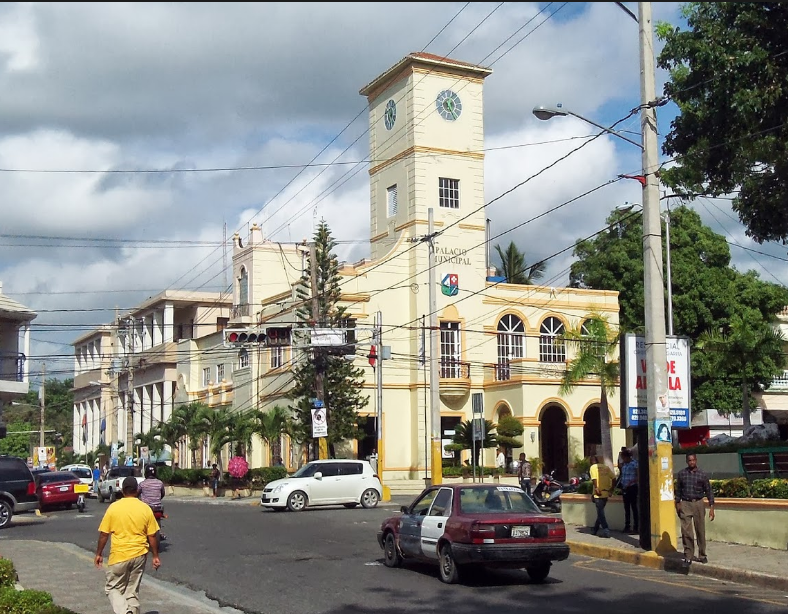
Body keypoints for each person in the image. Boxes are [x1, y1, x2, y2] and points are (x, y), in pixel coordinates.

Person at [94, 477, 161, 614]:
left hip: (120, 556)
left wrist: (99, 553)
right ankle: (131, 611)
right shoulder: (145, 508)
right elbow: (152, 536)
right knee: (132, 591)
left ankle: (125, 612)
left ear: (122, 491)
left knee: (112, 588)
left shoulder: (114, 508)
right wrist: (155, 556)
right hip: (140, 555)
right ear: (137, 490)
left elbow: (104, 534)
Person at [675, 453, 715, 566]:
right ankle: (688, 556)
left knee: (700, 530)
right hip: (686, 503)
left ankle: (702, 555)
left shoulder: (702, 474)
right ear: (686, 461)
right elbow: (678, 490)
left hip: (698, 503)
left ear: (696, 460)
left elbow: (708, 491)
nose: (691, 462)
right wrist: (677, 503)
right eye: (689, 460)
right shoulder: (682, 474)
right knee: (686, 531)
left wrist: (712, 507)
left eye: (693, 460)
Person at [589, 456, 615, 538]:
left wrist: (596, 488)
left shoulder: (593, 467)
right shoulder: (605, 467)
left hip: (598, 493)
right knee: (600, 512)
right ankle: (595, 529)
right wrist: (611, 490)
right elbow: (614, 478)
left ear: (591, 462)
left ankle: (606, 530)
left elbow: (594, 479)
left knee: (600, 513)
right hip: (606, 493)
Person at [138, 465, 166, 540]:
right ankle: (159, 532)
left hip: (146, 509)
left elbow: (137, 493)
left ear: (146, 473)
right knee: (158, 520)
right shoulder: (160, 483)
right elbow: (163, 493)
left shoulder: (142, 484)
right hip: (158, 508)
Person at [619, 449, 638, 534]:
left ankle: (636, 527)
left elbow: (638, 476)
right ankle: (627, 526)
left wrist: (632, 483)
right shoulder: (624, 465)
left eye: (623, 457)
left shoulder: (634, 463)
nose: (623, 459)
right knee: (626, 508)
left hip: (632, 487)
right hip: (625, 488)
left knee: (634, 507)